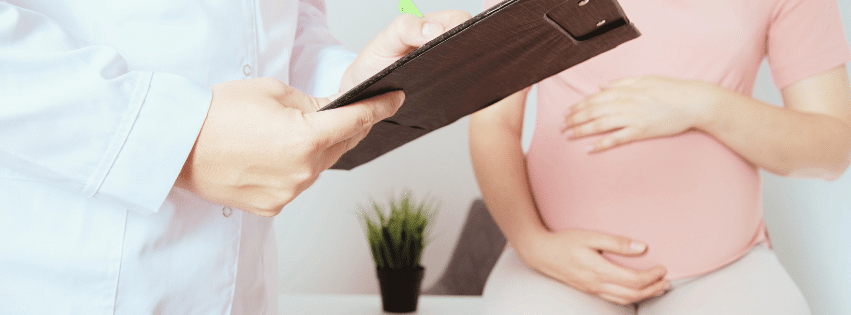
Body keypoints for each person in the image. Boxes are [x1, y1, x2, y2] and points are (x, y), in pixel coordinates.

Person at [0, 1, 469, 314]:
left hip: (243, 288)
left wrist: (347, 82)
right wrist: (176, 137)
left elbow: (286, 24)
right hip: (62, 279)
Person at [469, 0, 851, 314]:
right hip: (553, 266)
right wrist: (532, 243)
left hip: (725, 268)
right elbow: (494, 122)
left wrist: (703, 103)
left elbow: (832, 149)